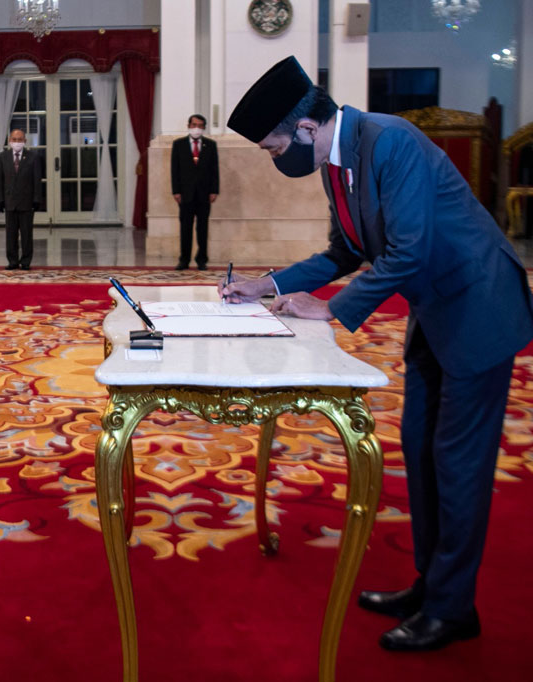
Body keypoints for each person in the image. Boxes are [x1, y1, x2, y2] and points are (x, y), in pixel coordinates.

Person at [222, 56, 533, 652]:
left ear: (307, 128)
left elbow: (409, 251)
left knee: (458, 464)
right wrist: (270, 285)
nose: (274, 157)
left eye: (272, 146)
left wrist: (332, 309)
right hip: (435, 313)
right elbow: (343, 252)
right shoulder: (333, 160)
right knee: (419, 447)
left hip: (478, 308)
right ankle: (429, 585)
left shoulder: (390, 142)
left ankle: (452, 609)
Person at [171, 113, 219, 270]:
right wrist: (176, 191)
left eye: (199, 125)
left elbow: (214, 170)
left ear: (204, 127)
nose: (196, 128)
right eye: (193, 125)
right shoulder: (179, 145)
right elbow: (175, 170)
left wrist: (214, 190)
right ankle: (184, 259)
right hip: (185, 194)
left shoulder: (210, 145)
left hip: (204, 194)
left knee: (202, 228)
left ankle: (202, 259)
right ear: (188, 126)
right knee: (185, 228)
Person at [0, 129, 44, 270]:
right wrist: (0, 200)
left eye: (20, 139)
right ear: (10, 140)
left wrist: (37, 200)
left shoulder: (33, 157)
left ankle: (26, 261)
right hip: (10, 202)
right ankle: (12, 261)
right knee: (11, 234)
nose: (17, 142)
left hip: (27, 203)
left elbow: (37, 180)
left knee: (27, 234)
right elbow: (0, 179)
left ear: (25, 141)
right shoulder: (3, 157)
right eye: (14, 139)